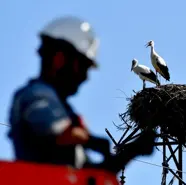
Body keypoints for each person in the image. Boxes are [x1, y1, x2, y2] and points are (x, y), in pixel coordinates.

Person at [7, 16, 156, 173]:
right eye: (82, 67)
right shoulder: (35, 95)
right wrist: (92, 141)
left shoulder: (64, 111)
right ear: (60, 59)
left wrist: (131, 151)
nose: (85, 78)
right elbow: (61, 134)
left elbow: (92, 176)